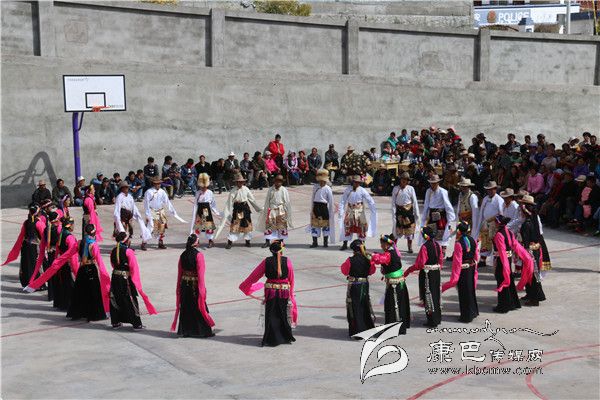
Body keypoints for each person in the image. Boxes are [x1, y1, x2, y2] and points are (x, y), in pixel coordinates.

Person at [239, 240, 297, 347]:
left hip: (271, 292)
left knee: (271, 314)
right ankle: (285, 337)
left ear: (271, 251)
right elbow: (291, 278)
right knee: (283, 313)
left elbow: (254, 276)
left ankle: (272, 339)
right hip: (284, 292)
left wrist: (245, 285)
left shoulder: (266, 261)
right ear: (282, 250)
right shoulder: (287, 261)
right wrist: (291, 293)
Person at [23, 217, 79, 304]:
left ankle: (58, 301)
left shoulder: (59, 233)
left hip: (56, 259)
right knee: (67, 284)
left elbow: (54, 248)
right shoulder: (68, 236)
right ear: (70, 225)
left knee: (58, 281)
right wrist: (76, 270)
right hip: (65, 262)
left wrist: (56, 260)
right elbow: (72, 256)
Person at [109, 232, 157, 329]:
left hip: (115, 277)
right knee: (130, 299)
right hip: (125, 278)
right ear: (126, 240)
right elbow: (134, 267)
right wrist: (135, 281)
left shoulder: (113, 251)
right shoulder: (128, 251)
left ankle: (115, 322)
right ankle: (136, 324)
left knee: (115, 297)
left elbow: (113, 264)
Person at [171, 234, 215, 338]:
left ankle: (186, 331)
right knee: (199, 307)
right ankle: (204, 331)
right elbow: (201, 274)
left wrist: (178, 287)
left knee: (185, 307)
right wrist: (202, 290)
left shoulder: (183, 255)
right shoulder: (198, 255)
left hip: (184, 285)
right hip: (195, 285)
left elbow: (180, 273)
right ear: (196, 243)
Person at [66, 224, 111, 322]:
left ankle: (77, 313)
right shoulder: (93, 244)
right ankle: (93, 315)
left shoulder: (79, 242)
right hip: (91, 268)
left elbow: (69, 253)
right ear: (93, 232)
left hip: (82, 269)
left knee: (79, 291)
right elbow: (99, 260)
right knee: (93, 292)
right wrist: (104, 273)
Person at [492, 215, 533, 314]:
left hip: (502, 261)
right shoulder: (509, 232)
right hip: (508, 259)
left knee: (502, 280)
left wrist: (505, 267)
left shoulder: (499, 235)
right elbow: (516, 246)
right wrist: (526, 257)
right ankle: (512, 303)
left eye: (495, 222)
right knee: (509, 280)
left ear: (498, 223)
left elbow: (502, 252)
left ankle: (503, 306)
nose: (494, 223)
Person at [404, 227, 443, 328]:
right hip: (436, 273)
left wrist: (409, 270)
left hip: (427, 274)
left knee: (428, 295)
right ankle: (437, 318)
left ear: (425, 236)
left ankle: (432, 320)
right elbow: (441, 260)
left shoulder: (425, 247)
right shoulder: (437, 245)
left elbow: (420, 264)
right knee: (436, 295)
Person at [370, 234, 410, 334]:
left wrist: (370, 255)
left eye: (382, 244)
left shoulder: (388, 254)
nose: (381, 246)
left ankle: (392, 330)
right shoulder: (395, 251)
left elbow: (379, 259)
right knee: (400, 305)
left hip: (394, 285)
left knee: (392, 306)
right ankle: (401, 328)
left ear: (387, 244)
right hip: (400, 283)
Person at [441, 221, 479, 323]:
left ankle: (466, 316)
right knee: (470, 291)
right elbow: (476, 256)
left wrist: (455, 277)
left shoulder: (459, 244)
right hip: (471, 268)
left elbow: (457, 262)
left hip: (463, 270)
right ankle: (473, 312)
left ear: (458, 231)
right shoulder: (473, 240)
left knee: (464, 293)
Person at [2, 203, 46, 287]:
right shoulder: (39, 223)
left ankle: (26, 282)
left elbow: (22, 235)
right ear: (37, 212)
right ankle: (37, 284)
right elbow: (44, 236)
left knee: (26, 264)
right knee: (36, 265)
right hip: (35, 247)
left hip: (26, 246)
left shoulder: (26, 222)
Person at [215, 173, 263, 249]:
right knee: (235, 226)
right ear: (236, 182)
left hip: (245, 209)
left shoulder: (246, 189)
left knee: (247, 225)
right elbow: (229, 203)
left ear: (243, 182)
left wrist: (259, 209)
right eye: (238, 182)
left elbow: (252, 200)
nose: (240, 183)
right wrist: (226, 212)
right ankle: (230, 242)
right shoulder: (233, 191)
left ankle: (247, 241)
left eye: (241, 182)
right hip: (237, 210)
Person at [518, 195, 550, 307]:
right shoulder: (532, 219)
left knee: (533, 274)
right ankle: (530, 294)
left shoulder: (528, 223)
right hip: (533, 250)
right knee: (528, 273)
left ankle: (535, 298)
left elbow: (528, 239)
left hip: (530, 251)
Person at [340, 239, 376, 337]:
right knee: (365, 305)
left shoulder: (350, 260)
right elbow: (372, 271)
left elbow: (344, 271)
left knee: (355, 307)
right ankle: (367, 328)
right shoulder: (368, 259)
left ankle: (358, 330)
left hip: (354, 285)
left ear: (354, 250)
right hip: (364, 285)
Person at [142, 177, 184, 250]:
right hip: (152, 211)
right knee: (150, 227)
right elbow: (146, 204)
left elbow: (167, 201)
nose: (159, 185)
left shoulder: (162, 191)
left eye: (159, 183)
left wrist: (172, 210)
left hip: (161, 211)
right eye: (157, 184)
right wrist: (148, 214)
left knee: (162, 227)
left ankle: (160, 242)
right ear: (153, 184)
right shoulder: (149, 192)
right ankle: (144, 242)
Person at [338, 176, 377, 250]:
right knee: (347, 226)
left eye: (358, 182)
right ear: (353, 182)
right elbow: (343, 200)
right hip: (350, 209)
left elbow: (369, 199)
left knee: (362, 227)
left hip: (359, 210)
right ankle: (345, 244)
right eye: (355, 182)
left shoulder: (362, 190)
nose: (357, 184)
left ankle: (362, 244)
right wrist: (341, 210)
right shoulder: (348, 190)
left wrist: (373, 208)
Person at [420, 174, 455, 255]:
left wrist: (450, 217)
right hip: (431, 215)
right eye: (431, 183)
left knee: (442, 232)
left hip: (441, 215)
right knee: (432, 232)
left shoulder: (443, 191)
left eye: (434, 183)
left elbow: (447, 205)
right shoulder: (428, 191)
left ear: (438, 183)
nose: (433, 185)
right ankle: (433, 249)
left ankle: (443, 250)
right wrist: (424, 216)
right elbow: (426, 204)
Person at [256, 175, 293, 248]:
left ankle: (281, 242)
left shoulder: (284, 190)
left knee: (282, 226)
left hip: (281, 210)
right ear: (275, 181)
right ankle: (267, 241)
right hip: (272, 209)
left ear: (282, 182)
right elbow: (267, 201)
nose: (278, 183)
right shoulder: (271, 189)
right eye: (277, 181)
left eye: (280, 181)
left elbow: (287, 202)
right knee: (269, 226)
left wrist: (288, 212)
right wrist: (266, 210)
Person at [114, 181, 152, 249]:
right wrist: (117, 219)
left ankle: (126, 247)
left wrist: (137, 215)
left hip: (129, 216)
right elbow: (117, 209)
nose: (126, 189)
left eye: (127, 187)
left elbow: (133, 207)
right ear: (122, 189)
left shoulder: (130, 196)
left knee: (129, 231)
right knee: (122, 232)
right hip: (122, 216)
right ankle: (121, 247)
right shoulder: (119, 197)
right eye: (125, 187)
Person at [474, 181, 503, 268]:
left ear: (495, 189)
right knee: (484, 241)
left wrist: (497, 224)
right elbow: (482, 211)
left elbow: (501, 213)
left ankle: (497, 260)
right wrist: (480, 223)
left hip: (494, 224)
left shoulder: (499, 200)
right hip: (486, 223)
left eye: (491, 189)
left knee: (495, 243)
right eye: (488, 190)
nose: (489, 191)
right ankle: (483, 260)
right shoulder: (485, 199)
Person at [391, 172, 420, 253]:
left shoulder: (411, 189)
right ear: (400, 180)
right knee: (397, 229)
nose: (404, 181)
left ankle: (409, 247)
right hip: (399, 211)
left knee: (410, 230)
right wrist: (393, 213)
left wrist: (416, 213)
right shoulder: (396, 189)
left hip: (408, 212)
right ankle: (394, 246)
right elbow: (393, 202)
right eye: (403, 179)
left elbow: (414, 201)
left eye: (406, 180)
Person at [190, 173, 220, 248]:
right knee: (198, 226)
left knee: (208, 226)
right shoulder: (198, 193)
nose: (203, 188)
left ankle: (210, 240)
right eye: (202, 187)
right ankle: (196, 240)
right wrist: (195, 212)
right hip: (199, 210)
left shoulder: (210, 192)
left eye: (204, 187)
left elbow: (213, 203)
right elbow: (195, 203)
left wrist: (215, 211)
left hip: (206, 211)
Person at [308, 169, 336, 248]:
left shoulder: (328, 188)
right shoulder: (315, 187)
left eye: (323, 180)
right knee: (315, 225)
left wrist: (331, 212)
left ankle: (325, 242)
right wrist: (312, 210)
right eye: (320, 180)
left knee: (325, 225)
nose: (321, 182)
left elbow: (331, 201)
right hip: (316, 207)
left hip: (324, 207)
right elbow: (312, 198)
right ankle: (315, 242)